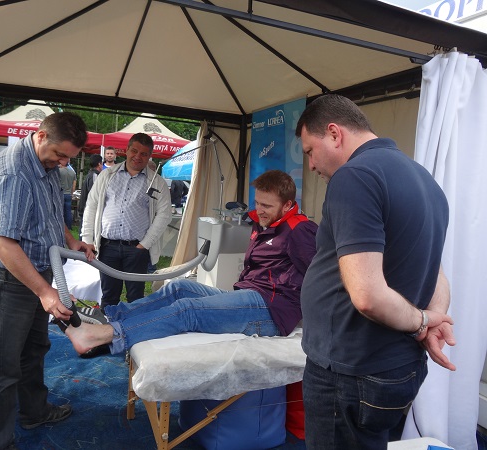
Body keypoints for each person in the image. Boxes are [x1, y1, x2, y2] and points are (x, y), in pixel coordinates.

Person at [295, 94, 455, 450]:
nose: (312, 165)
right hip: (395, 367)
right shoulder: (425, 181)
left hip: (350, 371)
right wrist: (432, 319)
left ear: (334, 133)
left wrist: (421, 322)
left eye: (310, 151)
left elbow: (367, 296)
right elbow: (436, 269)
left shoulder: (355, 176)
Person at [63, 170, 318, 358]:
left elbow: (320, 276)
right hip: (250, 295)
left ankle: (103, 335)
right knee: (179, 288)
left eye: (266, 206)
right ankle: (109, 317)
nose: (258, 210)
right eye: (257, 203)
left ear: (288, 205)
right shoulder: (264, 223)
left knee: (188, 310)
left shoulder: (300, 230)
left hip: (271, 310)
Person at [0, 112, 89, 450]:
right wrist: (44, 291)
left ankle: (34, 412)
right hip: (10, 278)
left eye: (69, 158)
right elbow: (2, 243)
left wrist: (70, 241)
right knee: (2, 366)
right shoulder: (13, 174)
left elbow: (50, 212)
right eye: (60, 154)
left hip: (36, 275)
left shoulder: (46, 165)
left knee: (34, 348)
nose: (63, 163)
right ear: (40, 136)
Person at [81, 133, 172, 309]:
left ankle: (133, 325)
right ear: (126, 150)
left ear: (149, 156)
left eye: (144, 154)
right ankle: (108, 325)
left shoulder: (157, 182)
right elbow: (91, 206)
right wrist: (87, 239)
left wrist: (145, 244)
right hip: (107, 247)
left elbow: (164, 214)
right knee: (109, 296)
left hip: (136, 249)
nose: (138, 156)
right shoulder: (107, 175)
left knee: (135, 298)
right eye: (134, 151)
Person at [58, 159, 76, 230]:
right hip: (68, 194)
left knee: (60, 211)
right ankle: (69, 226)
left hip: (60, 193)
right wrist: (71, 193)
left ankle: (61, 226)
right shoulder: (72, 172)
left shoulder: (59, 171)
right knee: (68, 211)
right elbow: (74, 186)